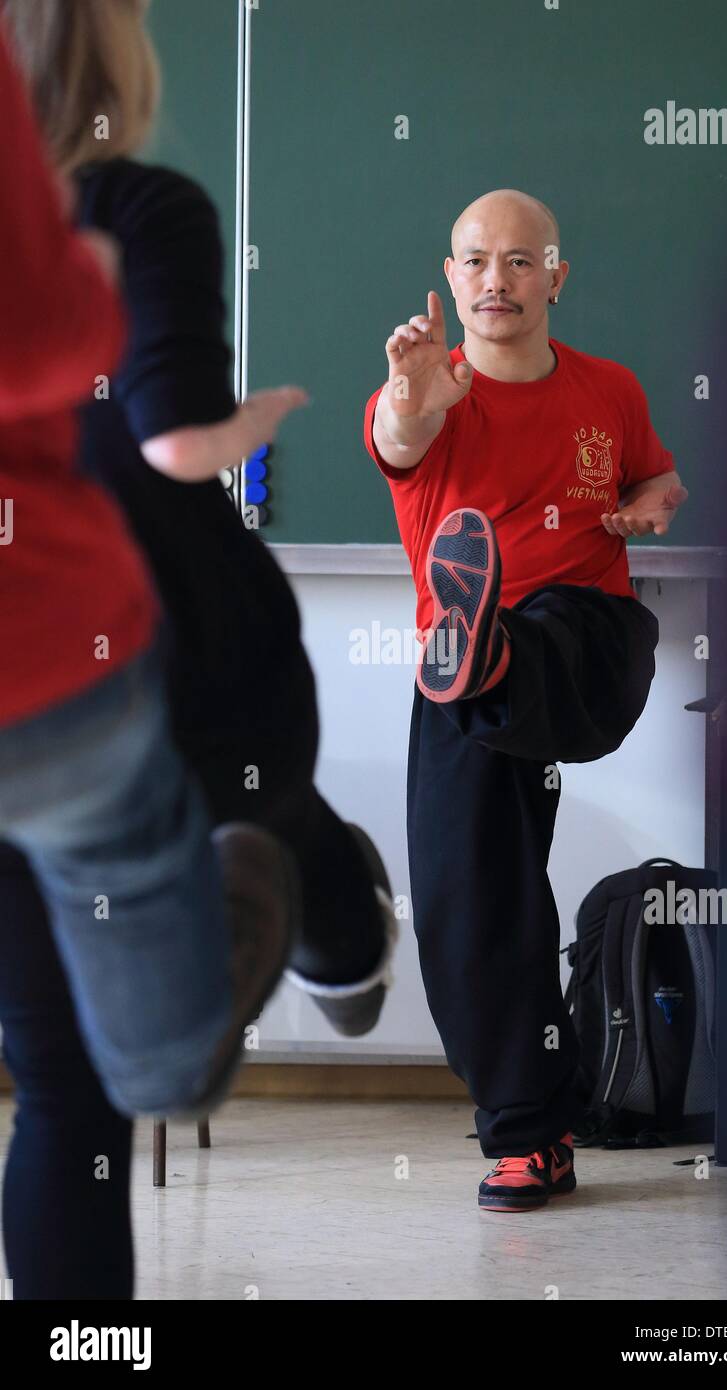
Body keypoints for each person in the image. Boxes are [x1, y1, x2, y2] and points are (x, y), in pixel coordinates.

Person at [0, 0, 394, 1299]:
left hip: (76, 668)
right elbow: (171, 435)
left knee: (57, 1084)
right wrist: (250, 422)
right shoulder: (140, 204)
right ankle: (330, 918)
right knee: (255, 804)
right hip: (134, 647)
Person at [364, 189, 688, 1211]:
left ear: (556, 276)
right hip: (459, 683)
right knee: (469, 901)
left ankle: (494, 647)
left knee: (539, 626)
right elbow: (397, 433)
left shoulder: (611, 389)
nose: (494, 279)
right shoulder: (430, 391)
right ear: (450, 276)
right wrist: (410, 398)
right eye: (473, 261)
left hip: (587, 649)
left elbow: (661, 478)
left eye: (517, 260)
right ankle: (528, 1136)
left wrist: (651, 501)